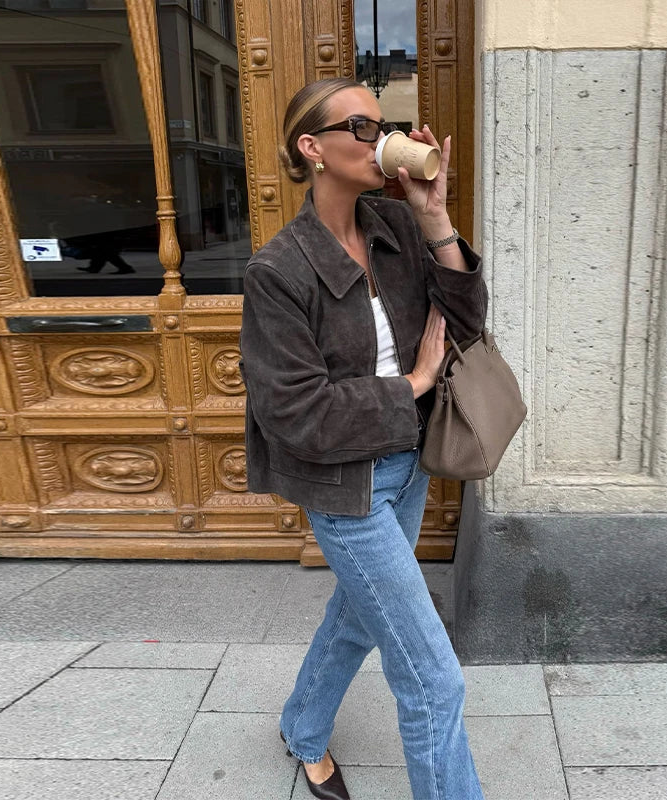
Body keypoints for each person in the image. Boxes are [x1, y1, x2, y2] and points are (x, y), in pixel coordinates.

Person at [240, 77, 486, 800]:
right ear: (312, 148)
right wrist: (411, 384)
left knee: (356, 616)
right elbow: (295, 411)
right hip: (346, 488)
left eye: (384, 125)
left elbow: (465, 325)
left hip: (410, 465)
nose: (382, 140)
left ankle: (302, 726)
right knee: (433, 679)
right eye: (361, 127)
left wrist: (436, 218)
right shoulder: (278, 270)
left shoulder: (396, 227)